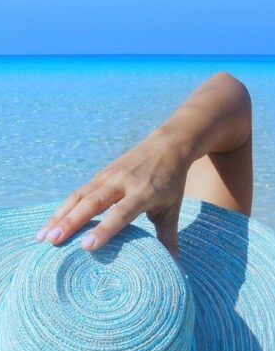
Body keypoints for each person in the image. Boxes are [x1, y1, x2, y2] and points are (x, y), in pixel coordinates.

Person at [35, 72, 254, 258]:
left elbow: (228, 89)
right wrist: (169, 148)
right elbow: (230, 91)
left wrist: (166, 147)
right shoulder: (209, 263)